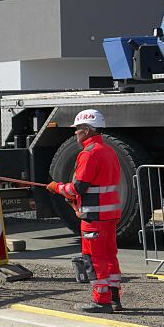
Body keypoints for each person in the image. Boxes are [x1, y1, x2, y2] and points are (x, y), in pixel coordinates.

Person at [47, 108, 123, 314]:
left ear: (87, 130)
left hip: (94, 217)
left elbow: (77, 187)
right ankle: (114, 297)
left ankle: (101, 301)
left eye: (78, 129)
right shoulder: (109, 151)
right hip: (110, 215)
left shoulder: (88, 154)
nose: (75, 134)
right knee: (109, 256)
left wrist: (57, 188)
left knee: (94, 258)